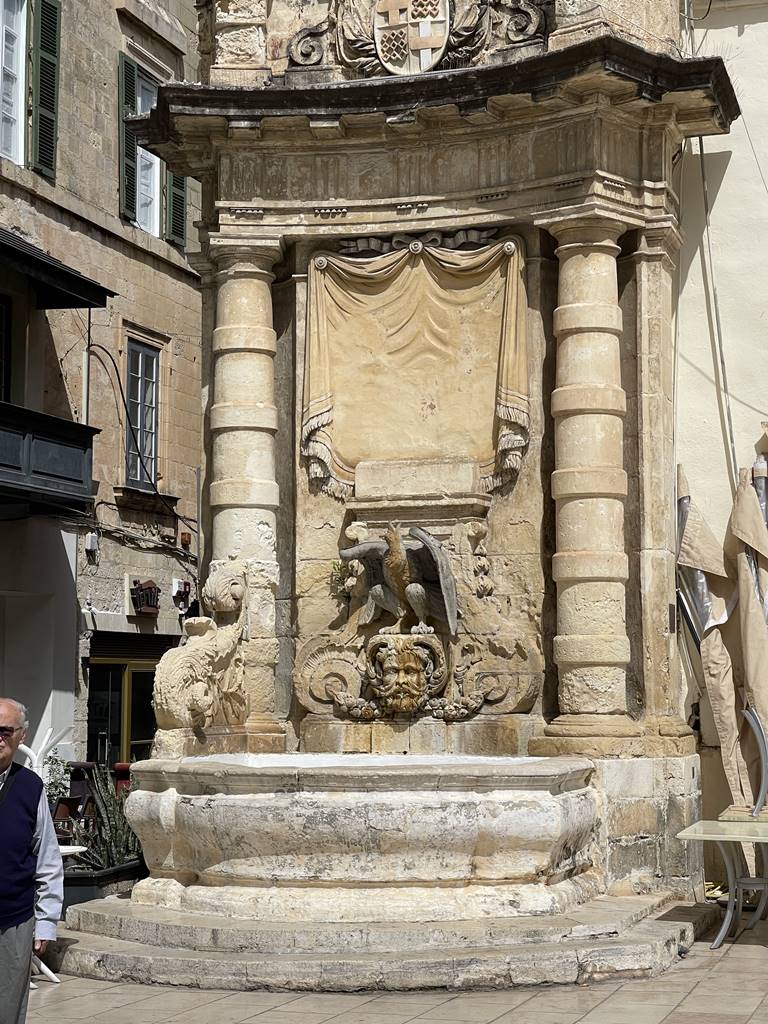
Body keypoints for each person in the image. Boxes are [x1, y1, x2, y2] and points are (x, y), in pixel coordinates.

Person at [0, 698, 63, 1024]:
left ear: (21, 736)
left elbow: (48, 861)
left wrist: (46, 922)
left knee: (8, 1008)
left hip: (13, 920)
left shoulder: (30, 787)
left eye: (4, 731)